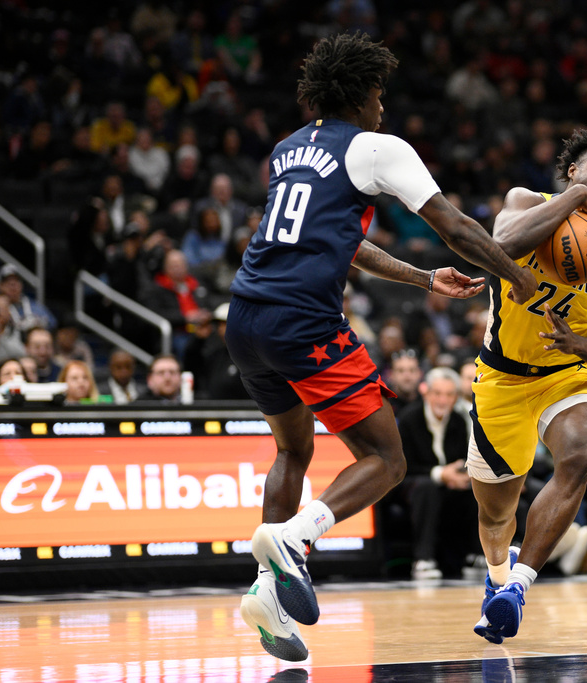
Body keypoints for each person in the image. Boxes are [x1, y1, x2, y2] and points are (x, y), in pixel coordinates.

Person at [223, 33, 535, 662]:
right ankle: (293, 539)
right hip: (302, 320)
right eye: (380, 95)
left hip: (245, 316)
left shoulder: (288, 149)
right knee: (387, 459)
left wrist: (422, 279)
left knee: (292, 448)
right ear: (363, 93)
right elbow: (455, 226)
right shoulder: (377, 147)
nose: (384, 107)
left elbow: (347, 245)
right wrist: (518, 278)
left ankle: (266, 590)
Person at [465, 122, 587, 644]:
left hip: (567, 375)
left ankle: (518, 586)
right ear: (573, 170)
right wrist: (575, 200)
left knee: (582, 451)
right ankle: (497, 572)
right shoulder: (525, 201)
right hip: (501, 377)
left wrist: (579, 345)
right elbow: (498, 245)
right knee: (496, 514)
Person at [393, 367, 478, 579]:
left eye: (449, 395)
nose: (443, 400)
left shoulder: (458, 421)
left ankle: (476, 555)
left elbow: (462, 458)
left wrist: (460, 475)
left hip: (448, 484)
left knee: (477, 488)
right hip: (410, 482)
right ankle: (423, 559)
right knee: (427, 487)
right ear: (427, 394)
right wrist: (441, 474)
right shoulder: (409, 418)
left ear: (455, 397)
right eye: (437, 394)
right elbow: (404, 466)